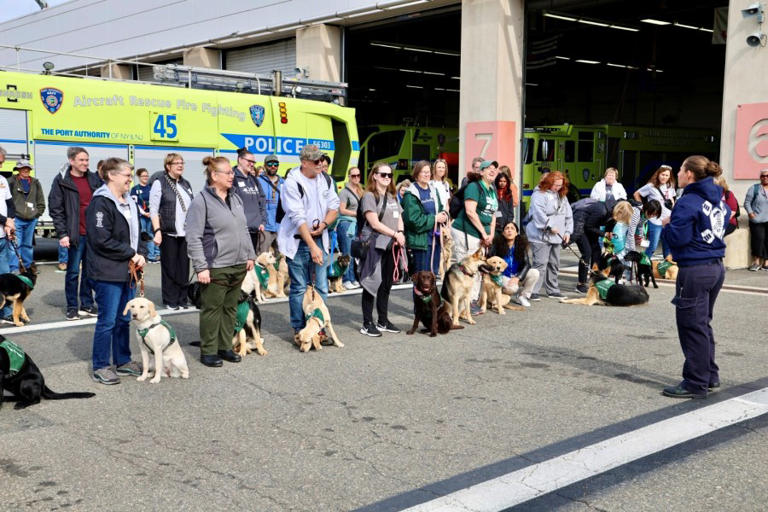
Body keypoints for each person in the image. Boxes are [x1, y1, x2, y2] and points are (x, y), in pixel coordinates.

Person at [661, 155, 730, 399]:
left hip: (695, 269)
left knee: (691, 325)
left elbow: (677, 238)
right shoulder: (719, 198)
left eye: (680, 169)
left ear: (689, 174)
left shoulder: (688, 200)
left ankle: (695, 381)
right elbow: (728, 223)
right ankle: (709, 374)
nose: (678, 174)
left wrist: (668, 225)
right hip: (716, 267)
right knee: (702, 323)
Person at [185, 156, 255, 367]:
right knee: (212, 308)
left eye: (232, 173)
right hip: (215, 265)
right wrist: (201, 267)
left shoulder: (235, 198)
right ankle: (208, 350)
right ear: (214, 175)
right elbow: (193, 236)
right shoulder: (201, 201)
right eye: (228, 173)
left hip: (238, 263)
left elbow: (243, 228)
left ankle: (224, 346)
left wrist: (250, 255)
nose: (232, 176)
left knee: (230, 307)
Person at [85, 158, 145, 385]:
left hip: (127, 270)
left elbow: (133, 233)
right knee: (107, 320)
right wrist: (131, 253)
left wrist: (140, 252)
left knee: (124, 319)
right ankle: (101, 365)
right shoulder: (101, 203)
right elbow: (101, 239)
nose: (131, 179)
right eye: (127, 175)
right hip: (106, 270)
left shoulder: (128, 201)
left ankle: (123, 360)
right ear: (111, 175)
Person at [277, 144, 339, 338]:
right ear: (304, 162)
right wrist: (312, 246)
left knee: (321, 285)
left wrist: (324, 225)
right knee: (299, 286)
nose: (321, 164)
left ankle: (317, 326)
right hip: (298, 240)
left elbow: (334, 206)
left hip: (320, 235)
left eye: (322, 160)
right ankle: (299, 328)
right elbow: (297, 217)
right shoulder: (292, 182)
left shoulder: (326, 180)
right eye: (316, 161)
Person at [48, 146, 101, 320]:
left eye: (87, 160)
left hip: (93, 233)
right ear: (72, 161)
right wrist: (62, 233)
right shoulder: (62, 180)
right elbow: (56, 208)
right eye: (82, 160)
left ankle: (87, 304)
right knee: (72, 272)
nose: (86, 163)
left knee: (89, 271)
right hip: (74, 233)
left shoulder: (94, 179)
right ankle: (72, 306)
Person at [358, 162, 405, 337]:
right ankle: (367, 322)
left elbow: (399, 217)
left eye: (389, 175)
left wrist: (400, 232)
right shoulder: (369, 196)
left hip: (391, 246)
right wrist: (395, 234)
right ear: (375, 176)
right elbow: (374, 223)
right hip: (375, 246)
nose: (387, 178)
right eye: (383, 174)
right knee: (371, 283)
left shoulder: (392, 197)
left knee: (386, 284)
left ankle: (383, 320)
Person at [451, 160, 499, 314]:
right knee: (465, 269)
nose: (492, 171)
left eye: (495, 169)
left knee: (477, 268)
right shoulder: (474, 187)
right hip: (466, 232)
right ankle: (458, 305)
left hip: (482, 236)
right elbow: (470, 212)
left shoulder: (492, 189)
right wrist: (484, 234)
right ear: (481, 172)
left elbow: (493, 214)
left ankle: (470, 301)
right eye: (488, 168)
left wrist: (490, 234)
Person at [149, 153, 193, 310]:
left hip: (185, 232)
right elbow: (153, 209)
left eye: (182, 162)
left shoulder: (186, 184)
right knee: (169, 267)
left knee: (184, 266)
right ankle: (170, 299)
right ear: (168, 166)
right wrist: (157, 230)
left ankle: (182, 298)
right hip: (168, 231)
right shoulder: (160, 182)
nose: (180, 165)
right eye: (176, 163)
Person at [526, 171, 573, 300]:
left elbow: (568, 215)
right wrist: (549, 226)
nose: (558, 188)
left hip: (557, 235)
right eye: (555, 185)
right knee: (540, 263)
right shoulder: (538, 195)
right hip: (540, 235)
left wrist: (567, 232)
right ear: (548, 183)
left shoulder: (562, 196)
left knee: (554, 263)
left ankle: (552, 289)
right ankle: (532, 290)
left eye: (560, 185)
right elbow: (538, 213)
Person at [401, 160, 448, 275]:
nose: (427, 175)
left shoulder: (433, 190)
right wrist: (435, 219)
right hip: (421, 242)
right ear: (416, 174)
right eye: (423, 172)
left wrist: (444, 215)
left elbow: (441, 208)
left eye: (428, 172)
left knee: (432, 276)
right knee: (422, 278)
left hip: (435, 240)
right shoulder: (410, 194)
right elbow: (413, 220)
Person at [8, 159, 45, 273]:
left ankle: (28, 267)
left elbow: (41, 200)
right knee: (15, 245)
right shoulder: (11, 181)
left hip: (31, 219)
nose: (25, 170)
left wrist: (37, 214)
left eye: (27, 168)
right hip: (16, 219)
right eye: (23, 168)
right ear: (18, 169)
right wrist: (10, 216)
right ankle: (14, 269)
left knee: (27, 245)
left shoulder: (35, 182)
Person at [491, 221, 539, 307]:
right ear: (503, 233)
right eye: (507, 228)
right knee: (512, 288)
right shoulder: (497, 245)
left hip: (516, 275)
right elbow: (491, 260)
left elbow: (527, 264)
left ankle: (522, 296)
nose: (509, 231)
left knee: (535, 272)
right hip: (502, 276)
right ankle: (500, 294)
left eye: (512, 228)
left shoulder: (521, 245)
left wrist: (518, 277)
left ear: (516, 233)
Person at [633, 164, 677, 259]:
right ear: (658, 174)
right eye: (662, 174)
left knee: (667, 247)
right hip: (655, 220)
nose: (664, 177)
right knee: (652, 246)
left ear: (669, 177)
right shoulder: (650, 186)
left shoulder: (670, 186)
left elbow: (671, 199)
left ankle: (666, 269)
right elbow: (637, 194)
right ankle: (644, 266)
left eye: (666, 175)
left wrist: (672, 207)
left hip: (667, 220)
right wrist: (643, 208)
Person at [570, 197, 611, 293]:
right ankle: (581, 284)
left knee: (596, 250)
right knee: (587, 252)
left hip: (590, 226)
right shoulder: (601, 211)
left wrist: (609, 248)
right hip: (579, 225)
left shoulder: (611, 214)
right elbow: (589, 227)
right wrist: (604, 234)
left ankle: (594, 279)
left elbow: (608, 234)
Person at [232, 147, 268, 254]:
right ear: (240, 160)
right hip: (239, 231)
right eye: (249, 161)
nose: (252, 164)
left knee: (251, 263)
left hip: (254, 230)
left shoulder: (254, 179)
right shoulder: (232, 177)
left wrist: (262, 221)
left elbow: (261, 200)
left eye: (253, 162)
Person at [337, 166, 363, 289]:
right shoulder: (344, 192)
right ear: (349, 177)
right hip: (347, 224)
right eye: (354, 176)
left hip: (356, 224)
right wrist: (357, 214)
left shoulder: (360, 190)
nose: (356, 178)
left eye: (358, 175)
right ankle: (346, 278)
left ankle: (352, 277)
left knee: (354, 252)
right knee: (347, 252)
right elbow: (341, 210)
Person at [130, 168, 160, 262]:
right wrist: (144, 213)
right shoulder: (135, 189)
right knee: (143, 234)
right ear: (139, 177)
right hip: (142, 216)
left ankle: (153, 255)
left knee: (151, 233)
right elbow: (134, 203)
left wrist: (152, 212)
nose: (146, 177)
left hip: (151, 215)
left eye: (147, 175)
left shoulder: (151, 188)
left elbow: (155, 201)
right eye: (143, 176)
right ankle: (145, 254)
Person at [0, 147, 16, 324]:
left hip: (2, 237)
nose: (1, 164)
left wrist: (10, 220)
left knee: (5, 276)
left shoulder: (2, 180)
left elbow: (10, 204)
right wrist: (6, 221)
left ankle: (6, 312)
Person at [258, 154, 284, 253]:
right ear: (265, 165)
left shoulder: (284, 182)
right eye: (270, 164)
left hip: (280, 226)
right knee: (262, 256)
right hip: (265, 226)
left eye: (275, 164)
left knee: (281, 257)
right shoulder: (258, 181)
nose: (273, 166)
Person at [744, 169, 768, 271]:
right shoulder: (754, 188)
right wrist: (750, 213)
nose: (765, 177)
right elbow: (747, 202)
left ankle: (766, 263)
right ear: (760, 177)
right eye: (763, 176)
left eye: (767, 176)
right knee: (758, 240)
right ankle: (756, 262)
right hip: (757, 220)